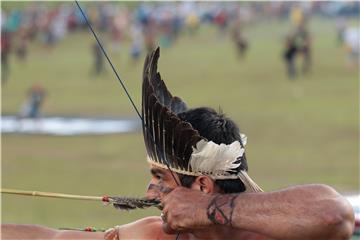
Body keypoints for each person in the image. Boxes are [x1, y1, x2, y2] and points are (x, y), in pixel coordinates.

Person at [2, 48, 355, 240]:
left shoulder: (277, 230)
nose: (150, 190)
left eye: (160, 177)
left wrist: (205, 211)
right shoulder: (156, 235)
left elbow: (334, 214)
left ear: (202, 185)